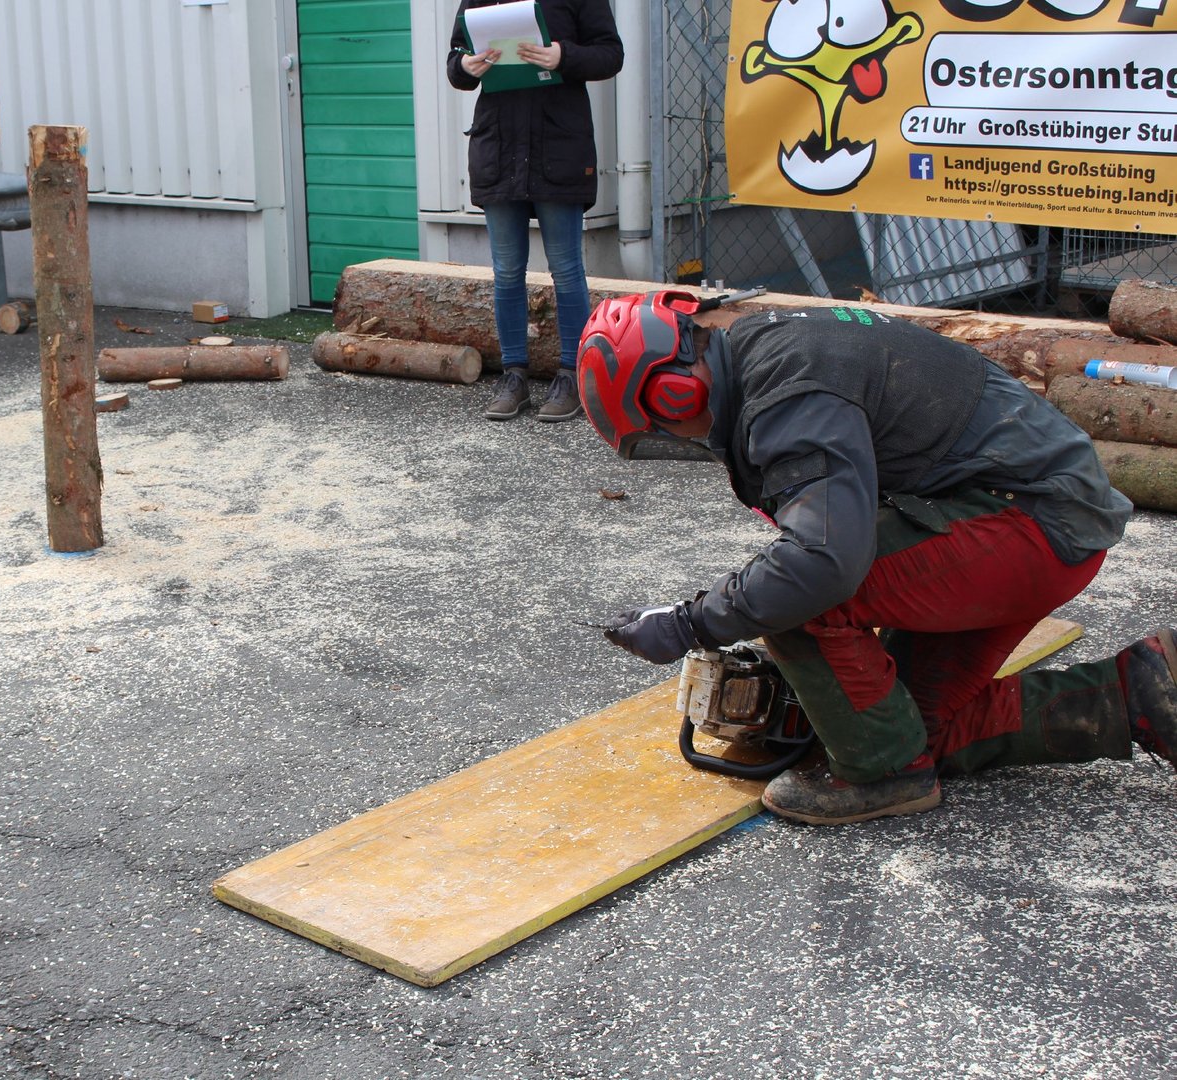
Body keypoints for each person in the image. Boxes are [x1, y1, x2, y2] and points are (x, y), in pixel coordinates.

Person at [575, 291, 1175, 825]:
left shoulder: (788, 392)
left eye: (665, 427)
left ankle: (881, 778)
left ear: (676, 390)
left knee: (801, 601)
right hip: (1032, 512)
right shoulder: (766, 348)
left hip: (1030, 527)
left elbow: (821, 562)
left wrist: (690, 623)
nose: (682, 439)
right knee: (907, 727)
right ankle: (1139, 691)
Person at [448, 0, 623, 423]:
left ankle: (573, 376)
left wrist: (564, 56)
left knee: (566, 268)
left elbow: (610, 54)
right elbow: (456, 60)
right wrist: (466, 66)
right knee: (507, 270)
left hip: (559, 147)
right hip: (499, 148)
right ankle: (514, 377)